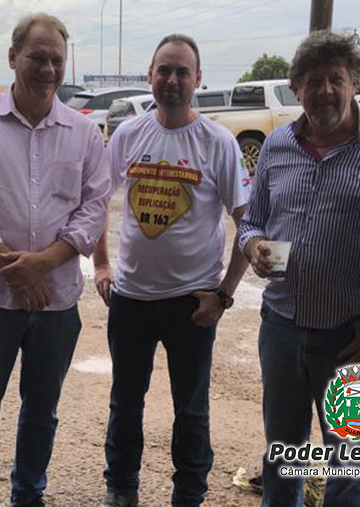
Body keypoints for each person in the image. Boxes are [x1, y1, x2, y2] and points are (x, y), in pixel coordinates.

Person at [238, 30, 360, 507]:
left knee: (350, 462)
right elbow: (252, 220)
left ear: (356, 83)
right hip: (282, 325)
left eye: (336, 79)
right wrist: (253, 245)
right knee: (281, 454)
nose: (325, 91)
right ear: (297, 88)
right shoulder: (276, 145)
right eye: (313, 81)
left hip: (355, 333)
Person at [0, 13, 111, 507]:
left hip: (55, 303)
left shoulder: (83, 134)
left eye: (56, 60)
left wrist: (45, 264)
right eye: (37, 57)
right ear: (13, 57)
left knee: (42, 410)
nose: (47, 68)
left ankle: (28, 494)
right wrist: (14, 271)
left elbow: (94, 206)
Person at [92, 34, 250, 507]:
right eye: (164, 70)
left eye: (183, 72)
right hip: (132, 299)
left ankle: (190, 494)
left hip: (192, 304)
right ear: (150, 76)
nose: (173, 80)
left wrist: (223, 295)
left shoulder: (218, 142)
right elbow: (95, 201)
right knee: (125, 404)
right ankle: (121, 489)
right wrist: (100, 263)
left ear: (198, 80)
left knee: (192, 410)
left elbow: (248, 221)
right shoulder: (128, 135)